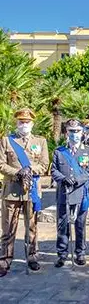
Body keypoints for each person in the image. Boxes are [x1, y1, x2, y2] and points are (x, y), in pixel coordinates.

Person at [0, 108, 49, 277]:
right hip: (12, 191)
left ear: (32, 124)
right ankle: (5, 260)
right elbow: (1, 164)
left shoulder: (40, 141)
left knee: (32, 226)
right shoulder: (7, 141)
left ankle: (32, 257)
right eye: (21, 122)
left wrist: (29, 170)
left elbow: (44, 165)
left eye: (27, 122)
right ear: (17, 123)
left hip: (32, 190)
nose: (24, 125)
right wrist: (17, 172)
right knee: (8, 227)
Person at [51, 119, 89, 267]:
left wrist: (76, 179)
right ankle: (62, 253)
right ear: (66, 133)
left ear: (82, 132)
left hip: (81, 193)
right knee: (62, 225)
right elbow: (54, 171)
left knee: (80, 225)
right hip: (64, 193)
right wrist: (64, 179)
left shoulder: (88, 151)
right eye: (71, 131)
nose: (74, 134)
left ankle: (80, 253)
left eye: (77, 131)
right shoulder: (59, 152)